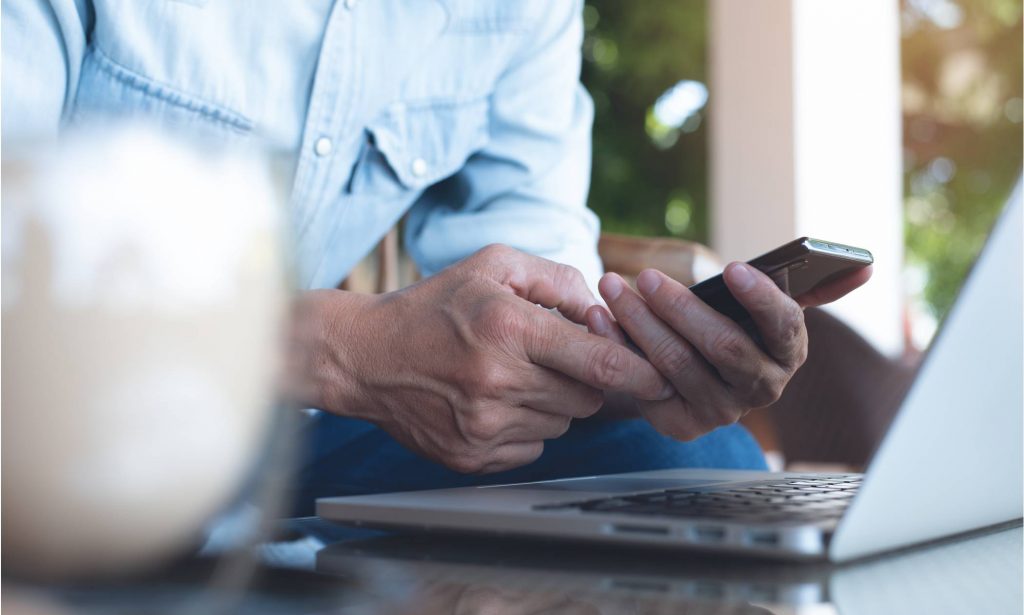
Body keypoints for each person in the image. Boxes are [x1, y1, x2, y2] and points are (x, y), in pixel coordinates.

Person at [2, 0, 870, 514]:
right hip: (52, 435)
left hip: (278, 449)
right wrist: (341, 349)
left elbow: (537, 296)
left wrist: (631, 372)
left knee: (692, 470)